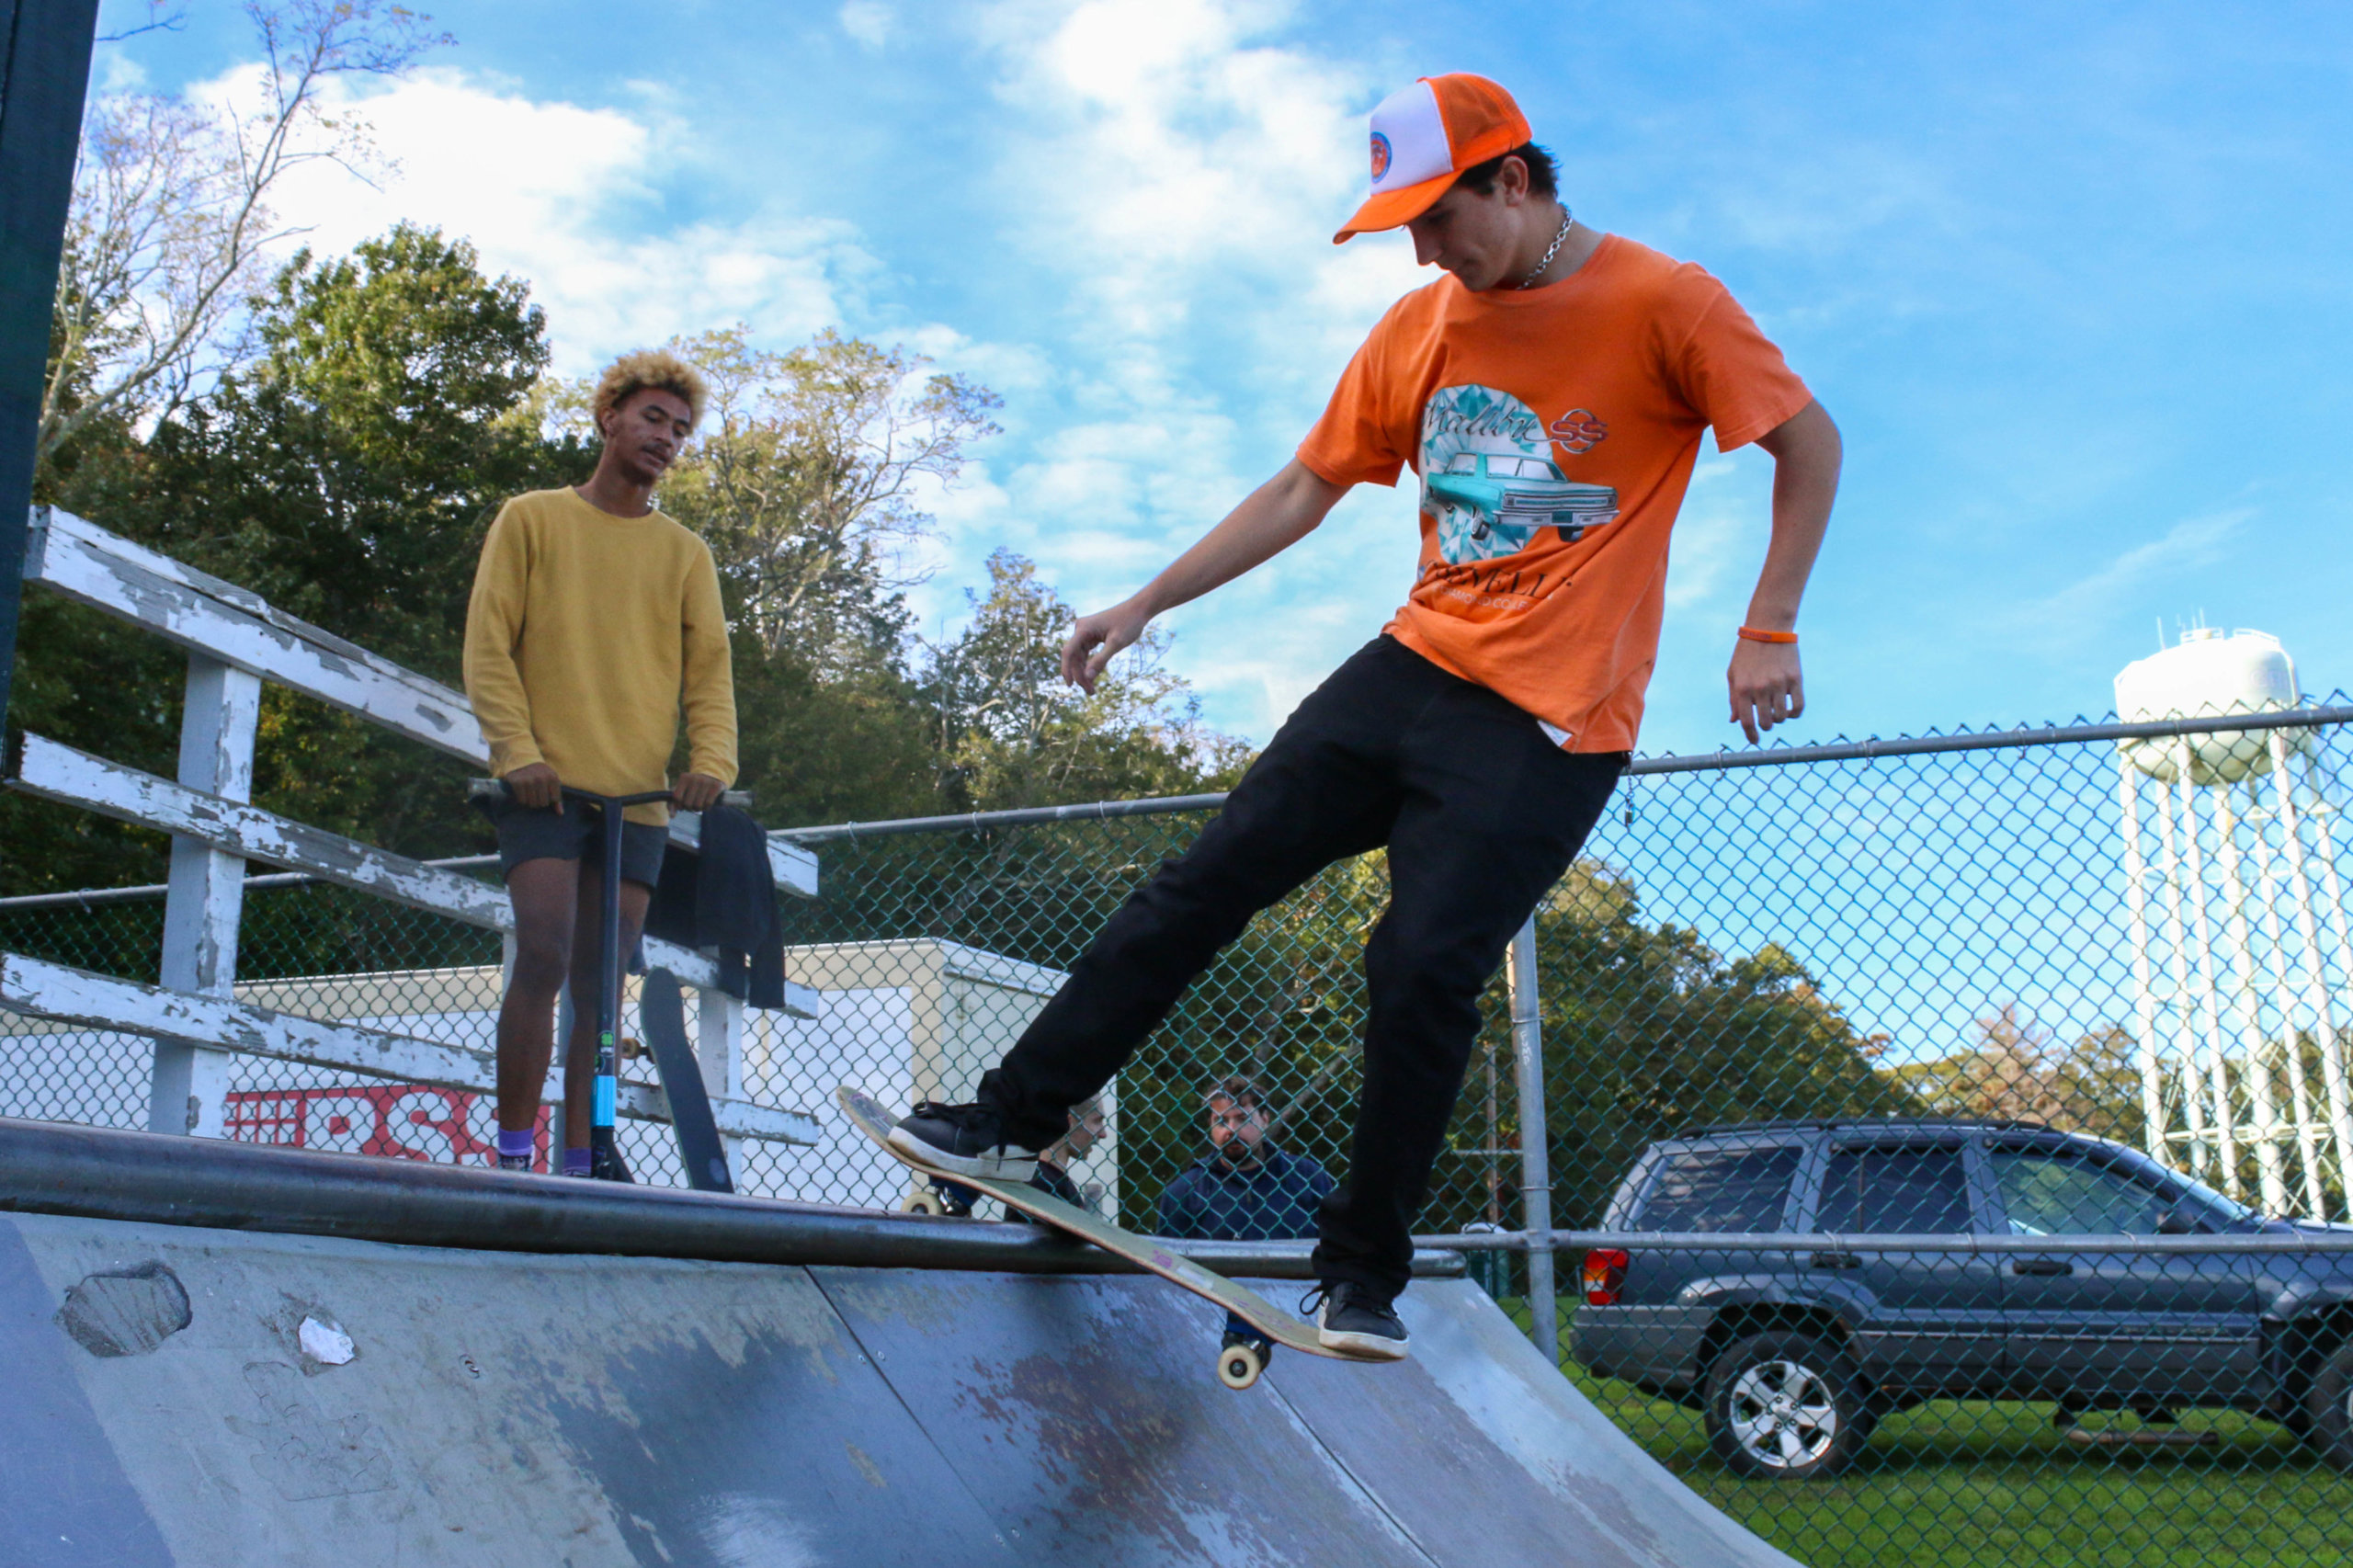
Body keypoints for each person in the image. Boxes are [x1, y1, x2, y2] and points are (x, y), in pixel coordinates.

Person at [892, 73, 1840, 1358]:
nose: (1423, 249)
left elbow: (1807, 440)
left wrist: (1768, 620)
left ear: (1512, 180)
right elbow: (1303, 486)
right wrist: (1147, 601)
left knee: (1419, 968)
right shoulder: (1419, 324)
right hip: (1411, 665)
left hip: (1552, 720)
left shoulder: (1665, 301)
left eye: (1438, 219)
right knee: (1203, 878)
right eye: (1405, 228)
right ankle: (1011, 1113)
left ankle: (1363, 1274)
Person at [462, 349, 739, 1176]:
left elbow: (710, 675)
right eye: (653, 418)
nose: (667, 437)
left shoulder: (685, 553)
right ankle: (514, 1154)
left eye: (681, 429)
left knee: (601, 983)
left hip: (639, 801)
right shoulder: (533, 518)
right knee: (543, 953)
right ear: (609, 417)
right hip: (546, 790)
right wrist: (518, 753)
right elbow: (488, 645)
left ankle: (580, 1163)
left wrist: (711, 766)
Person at [1157, 1078, 1336, 1359]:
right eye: (1221, 1121)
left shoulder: (1308, 1178)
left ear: (1264, 1119)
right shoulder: (1185, 1191)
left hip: (1302, 1321)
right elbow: (1168, 1275)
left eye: (1242, 1119)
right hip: (1213, 1327)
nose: (1231, 1130)